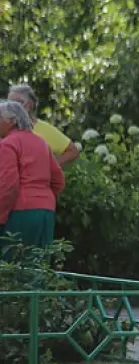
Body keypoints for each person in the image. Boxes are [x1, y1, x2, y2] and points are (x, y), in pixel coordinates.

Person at [0, 101, 65, 257]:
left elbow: (8, 185)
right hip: (46, 211)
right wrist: (42, 198)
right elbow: (58, 180)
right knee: (39, 267)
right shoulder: (41, 142)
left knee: (13, 267)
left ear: (11, 120)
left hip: (19, 212)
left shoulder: (7, 144)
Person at [7, 85, 79, 166]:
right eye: (8, 103)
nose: (10, 107)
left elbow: (73, 152)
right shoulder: (4, 128)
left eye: (15, 103)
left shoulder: (44, 129)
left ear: (29, 105)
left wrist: (48, 167)